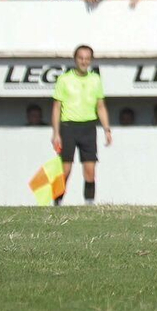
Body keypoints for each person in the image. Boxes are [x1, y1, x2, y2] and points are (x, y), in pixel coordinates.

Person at [51, 45, 113, 205]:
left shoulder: (95, 79)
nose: (84, 61)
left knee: (90, 171)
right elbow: (57, 107)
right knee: (65, 170)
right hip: (68, 127)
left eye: (87, 58)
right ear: (75, 59)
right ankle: (56, 204)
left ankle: (89, 205)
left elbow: (100, 106)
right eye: (81, 58)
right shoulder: (64, 79)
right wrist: (56, 133)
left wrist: (107, 129)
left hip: (88, 128)